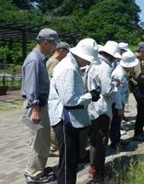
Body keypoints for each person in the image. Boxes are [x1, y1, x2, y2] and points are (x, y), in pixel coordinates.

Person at [48, 38, 100, 184]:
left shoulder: (72, 65)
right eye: (88, 59)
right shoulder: (68, 68)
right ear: (81, 55)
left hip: (66, 117)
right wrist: (91, 96)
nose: (89, 63)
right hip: (63, 118)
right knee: (68, 159)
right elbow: (69, 100)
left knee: (71, 157)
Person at [21, 28, 59, 183]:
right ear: (45, 42)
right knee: (39, 142)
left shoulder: (39, 58)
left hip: (40, 104)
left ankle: (37, 169)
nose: (55, 47)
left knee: (40, 141)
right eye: (53, 44)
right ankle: (34, 174)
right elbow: (31, 86)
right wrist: (35, 109)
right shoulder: (34, 60)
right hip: (37, 105)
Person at [86, 41, 121, 182]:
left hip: (93, 106)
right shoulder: (104, 67)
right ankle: (98, 170)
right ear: (111, 55)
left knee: (95, 139)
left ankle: (94, 166)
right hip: (102, 108)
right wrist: (115, 85)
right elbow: (107, 90)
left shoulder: (94, 63)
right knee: (101, 139)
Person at [110, 51, 139, 150]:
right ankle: (115, 143)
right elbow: (116, 92)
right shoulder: (120, 74)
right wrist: (120, 108)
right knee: (115, 122)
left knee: (117, 123)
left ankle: (117, 139)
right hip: (116, 102)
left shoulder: (123, 71)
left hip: (120, 100)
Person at [46, 41, 70, 158]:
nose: (67, 54)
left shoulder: (55, 61)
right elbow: (52, 80)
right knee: (54, 123)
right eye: (67, 51)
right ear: (61, 50)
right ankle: (53, 148)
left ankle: (54, 147)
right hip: (52, 97)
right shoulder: (54, 62)